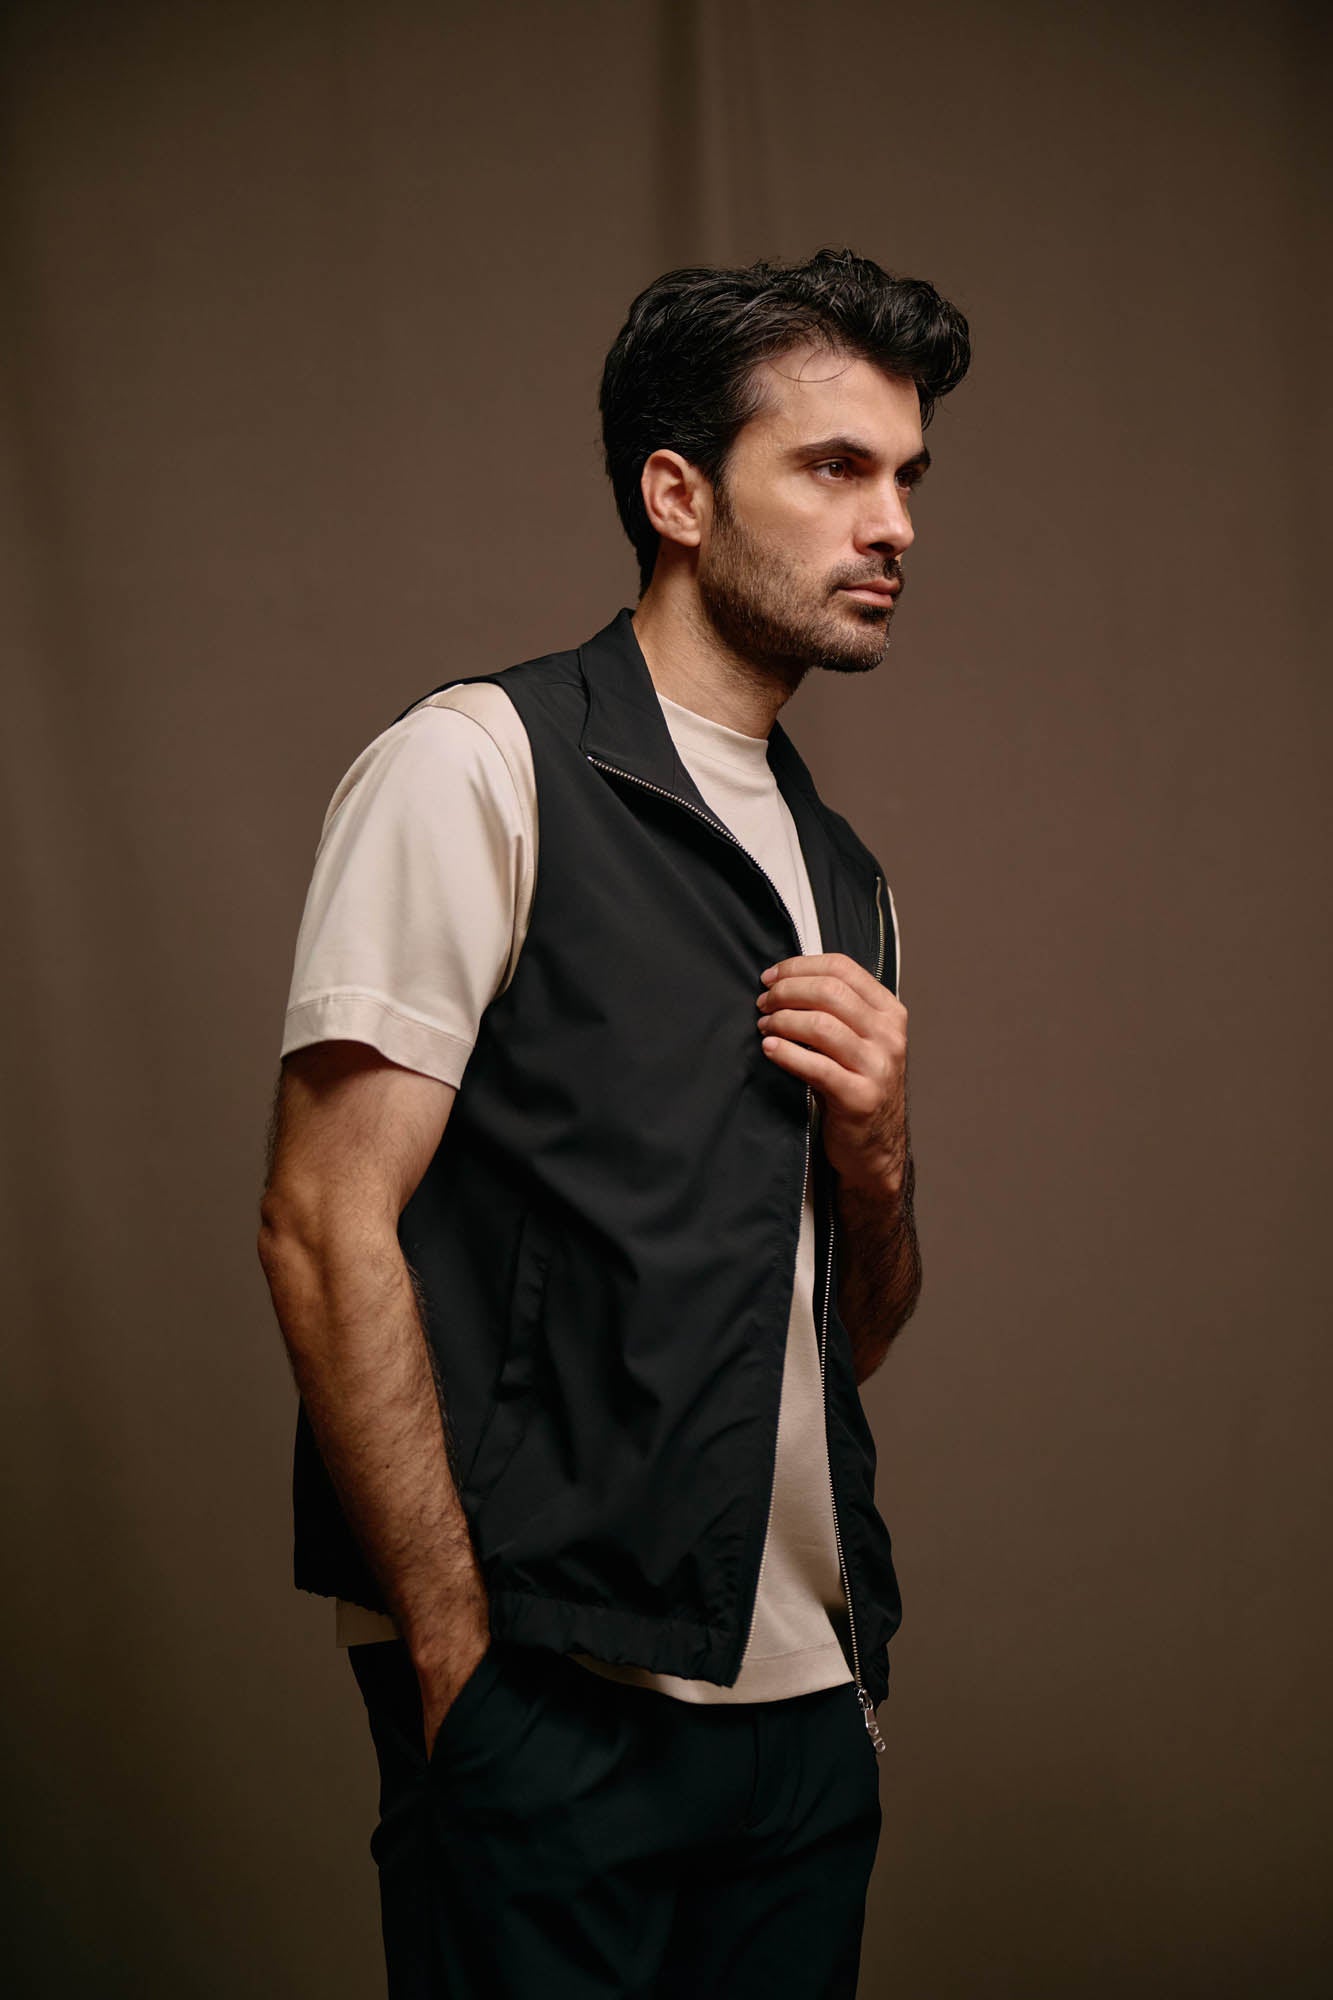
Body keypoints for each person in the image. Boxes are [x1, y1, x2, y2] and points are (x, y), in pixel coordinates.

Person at [258, 246, 970, 1998]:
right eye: (833, 467)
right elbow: (322, 1224)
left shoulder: (848, 879)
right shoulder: (477, 767)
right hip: (546, 1697)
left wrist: (878, 1159)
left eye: (906, 477)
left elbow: (848, 1336)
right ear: (676, 494)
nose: (891, 524)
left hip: (804, 1709)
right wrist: (456, 1664)